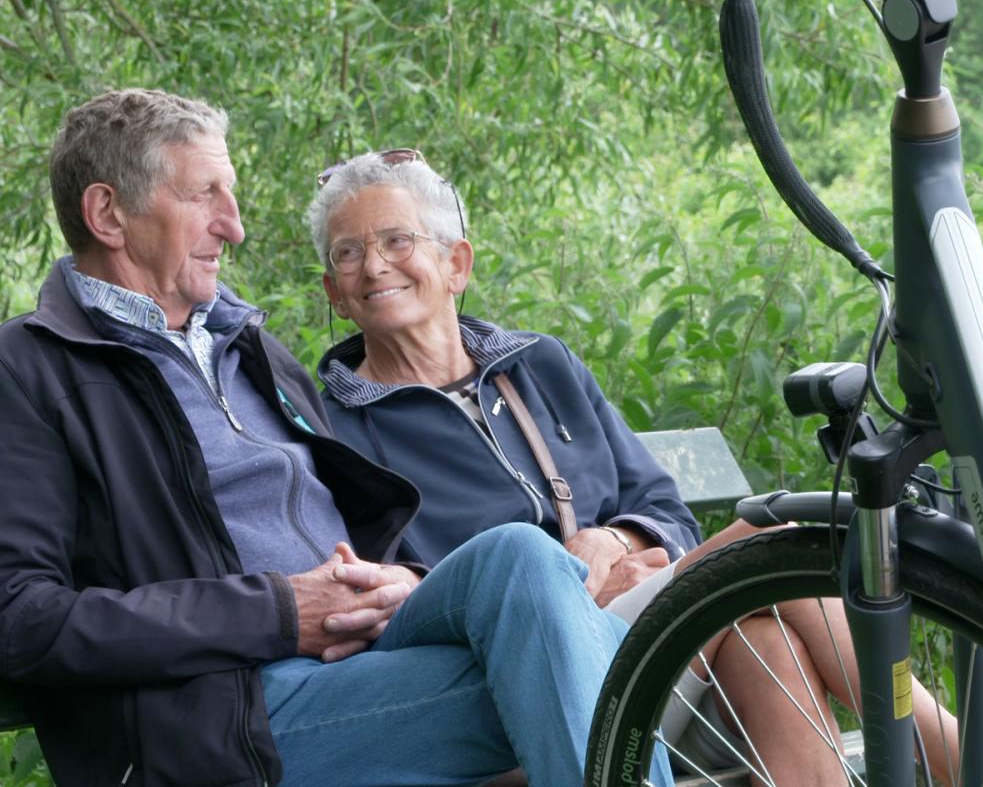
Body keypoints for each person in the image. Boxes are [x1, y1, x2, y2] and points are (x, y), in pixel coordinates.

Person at [0, 90, 675, 787]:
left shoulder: (244, 346)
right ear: (108, 214)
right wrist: (280, 613)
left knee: (521, 554)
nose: (232, 227)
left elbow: (356, 528)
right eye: (204, 196)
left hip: (371, 650)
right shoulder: (30, 370)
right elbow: (19, 618)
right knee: (603, 661)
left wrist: (397, 580)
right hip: (232, 715)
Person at [310, 148, 960, 786]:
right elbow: (391, 591)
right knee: (767, 545)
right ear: (334, 294)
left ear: (457, 264)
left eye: (397, 240)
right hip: (518, 682)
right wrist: (572, 584)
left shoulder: (539, 366)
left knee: (761, 635)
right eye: (348, 252)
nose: (373, 266)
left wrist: (617, 540)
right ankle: (953, 753)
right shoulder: (330, 428)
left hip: (639, 646)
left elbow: (663, 507)